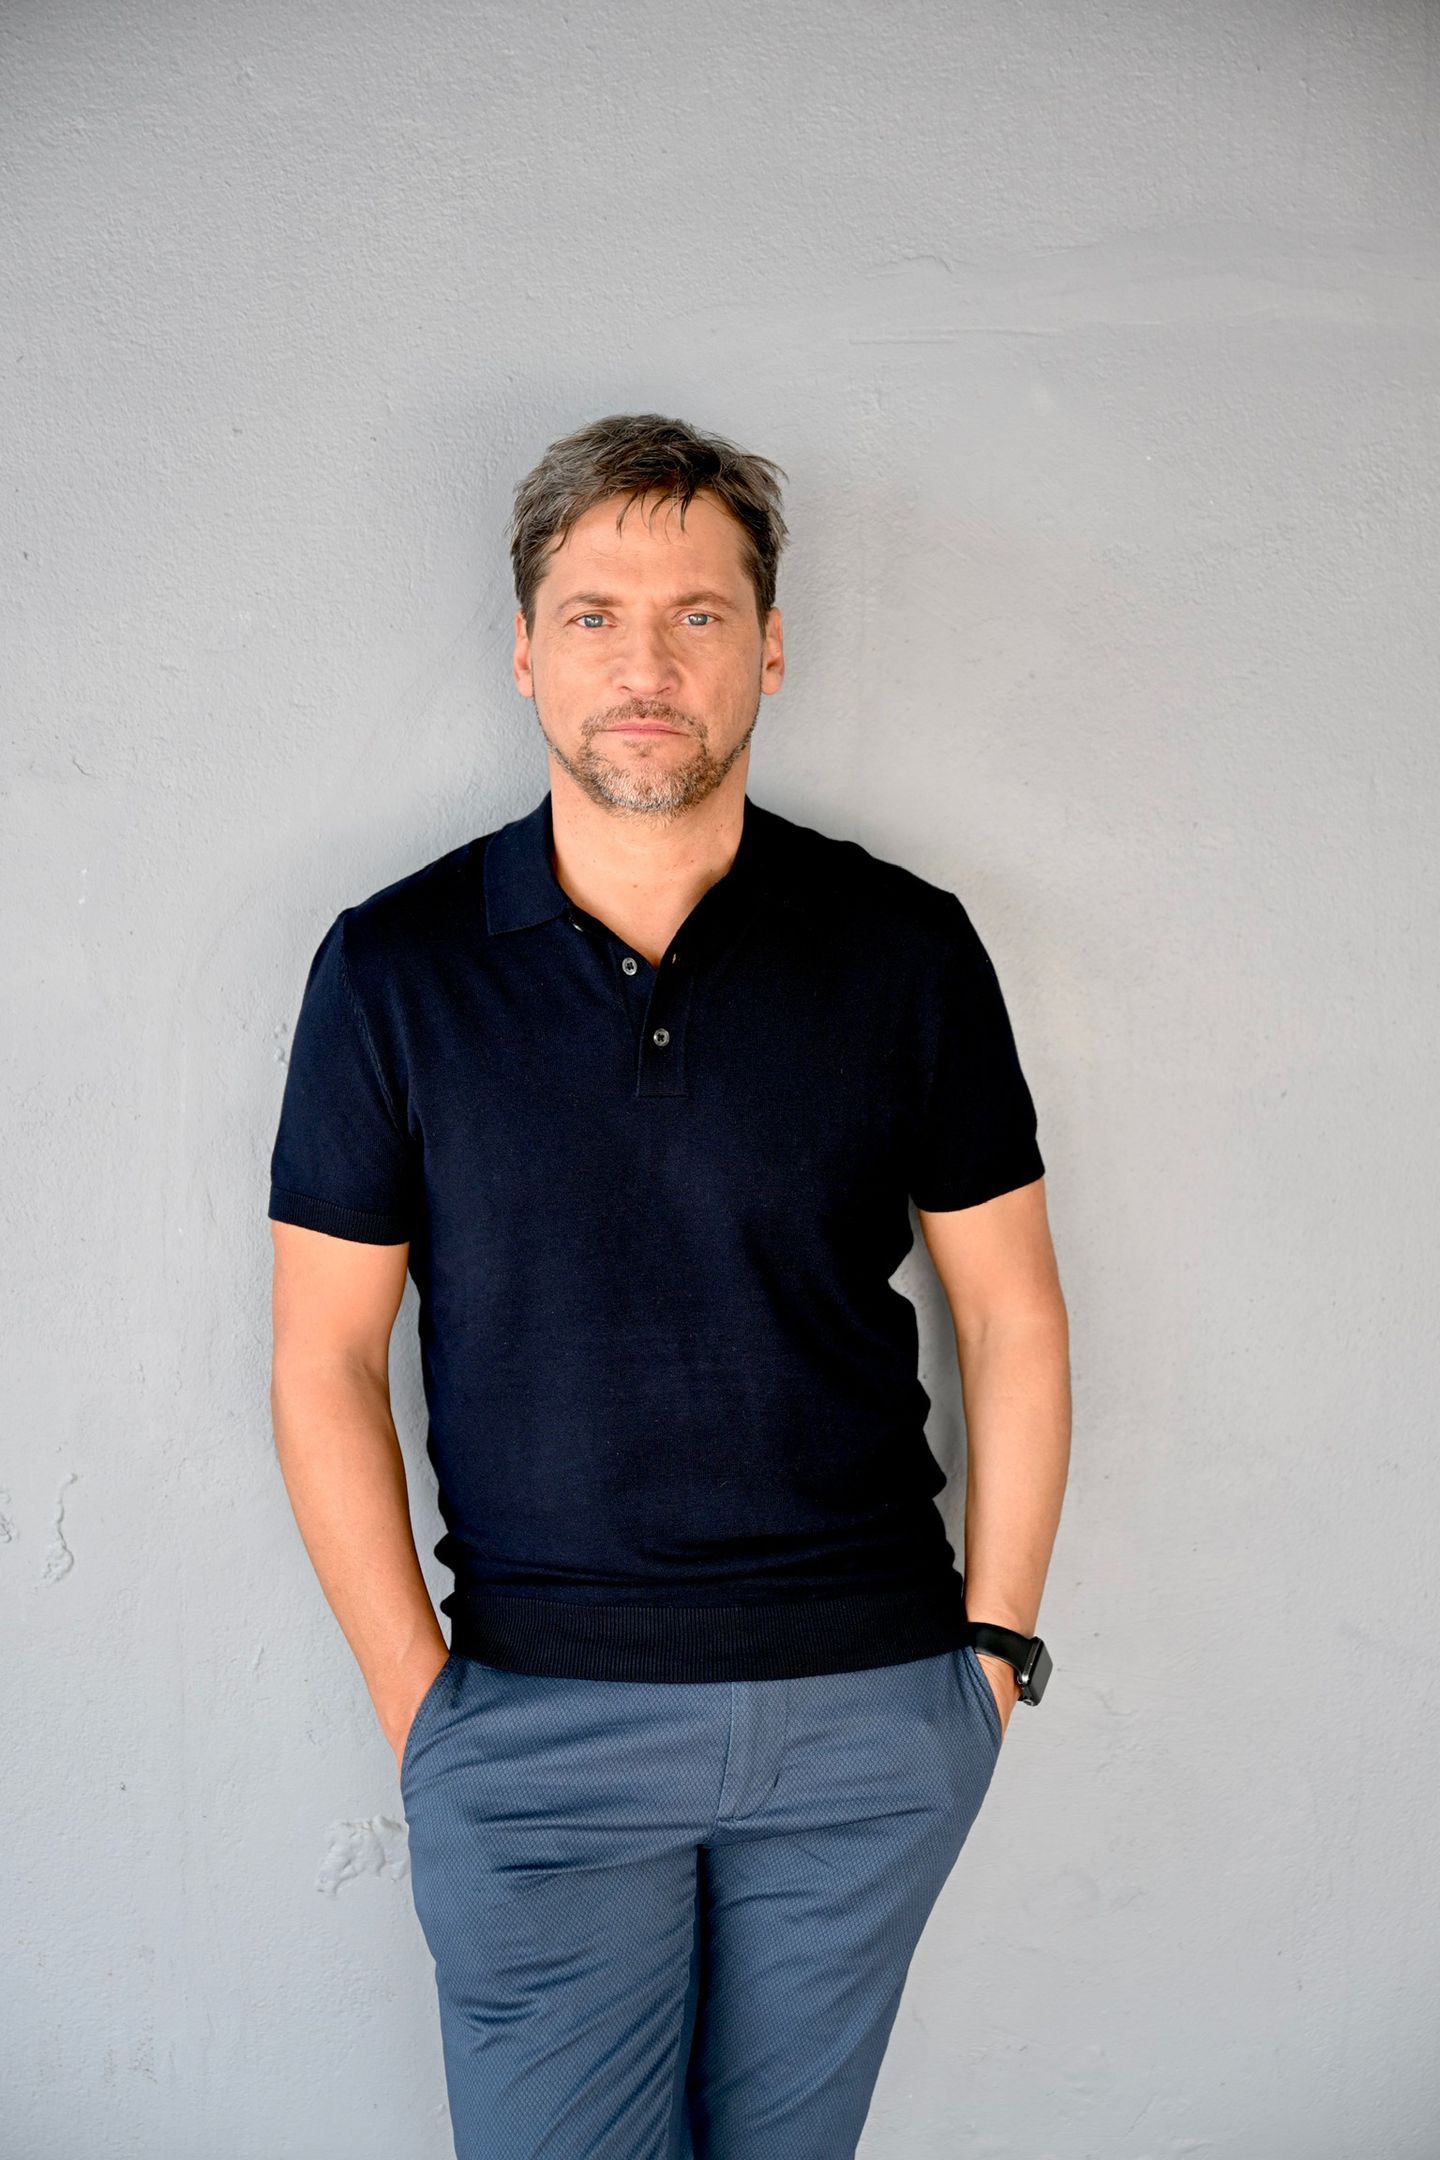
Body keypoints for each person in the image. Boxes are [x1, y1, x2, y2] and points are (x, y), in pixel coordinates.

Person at [267, 411, 1071, 2158]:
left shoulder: (905, 949)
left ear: (769, 648)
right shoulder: (393, 969)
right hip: (537, 1731)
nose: (647, 666)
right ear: (526, 650)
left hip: (871, 1717)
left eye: (699, 614)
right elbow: (323, 1357)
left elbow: (1011, 1311)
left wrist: (993, 1658)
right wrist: (425, 1714)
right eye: (597, 616)